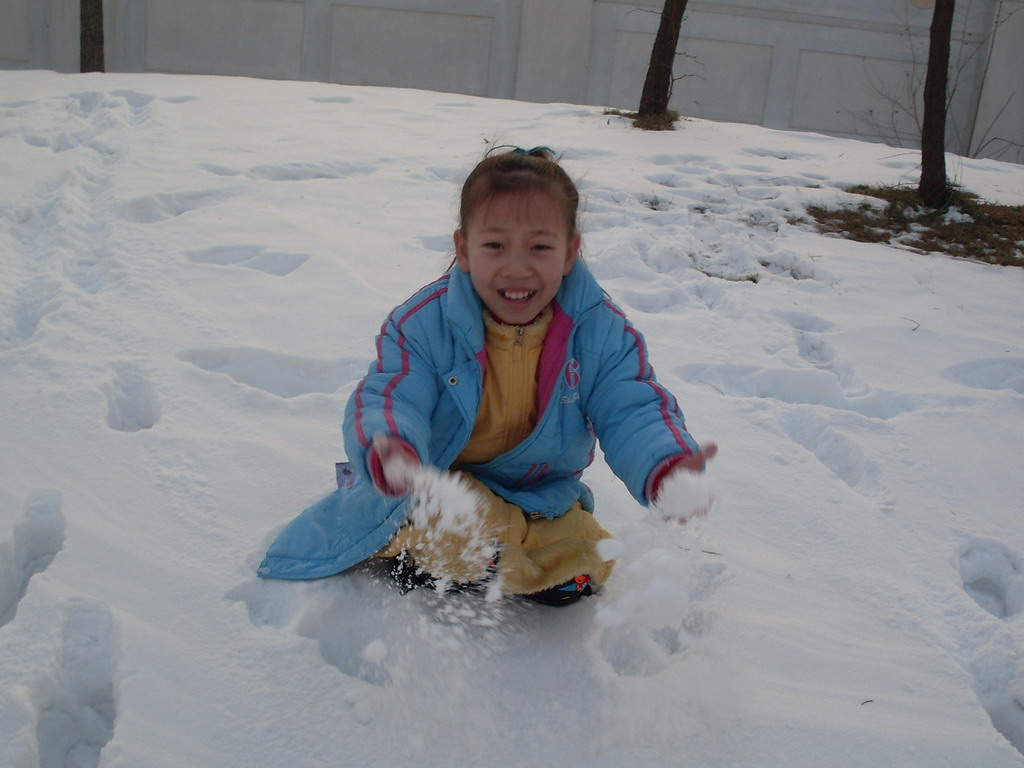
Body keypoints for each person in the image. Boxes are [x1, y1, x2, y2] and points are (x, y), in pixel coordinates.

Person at [258, 146, 716, 606]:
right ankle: (463, 558)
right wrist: (393, 445)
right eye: (495, 245)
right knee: (423, 518)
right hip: (442, 483)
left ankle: (485, 564)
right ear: (464, 249)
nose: (517, 268)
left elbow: (632, 407)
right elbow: (392, 395)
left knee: (584, 552)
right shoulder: (422, 324)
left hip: (538, 494)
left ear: (570, 252)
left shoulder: (601, 333)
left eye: (540, 247)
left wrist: (666, 467)